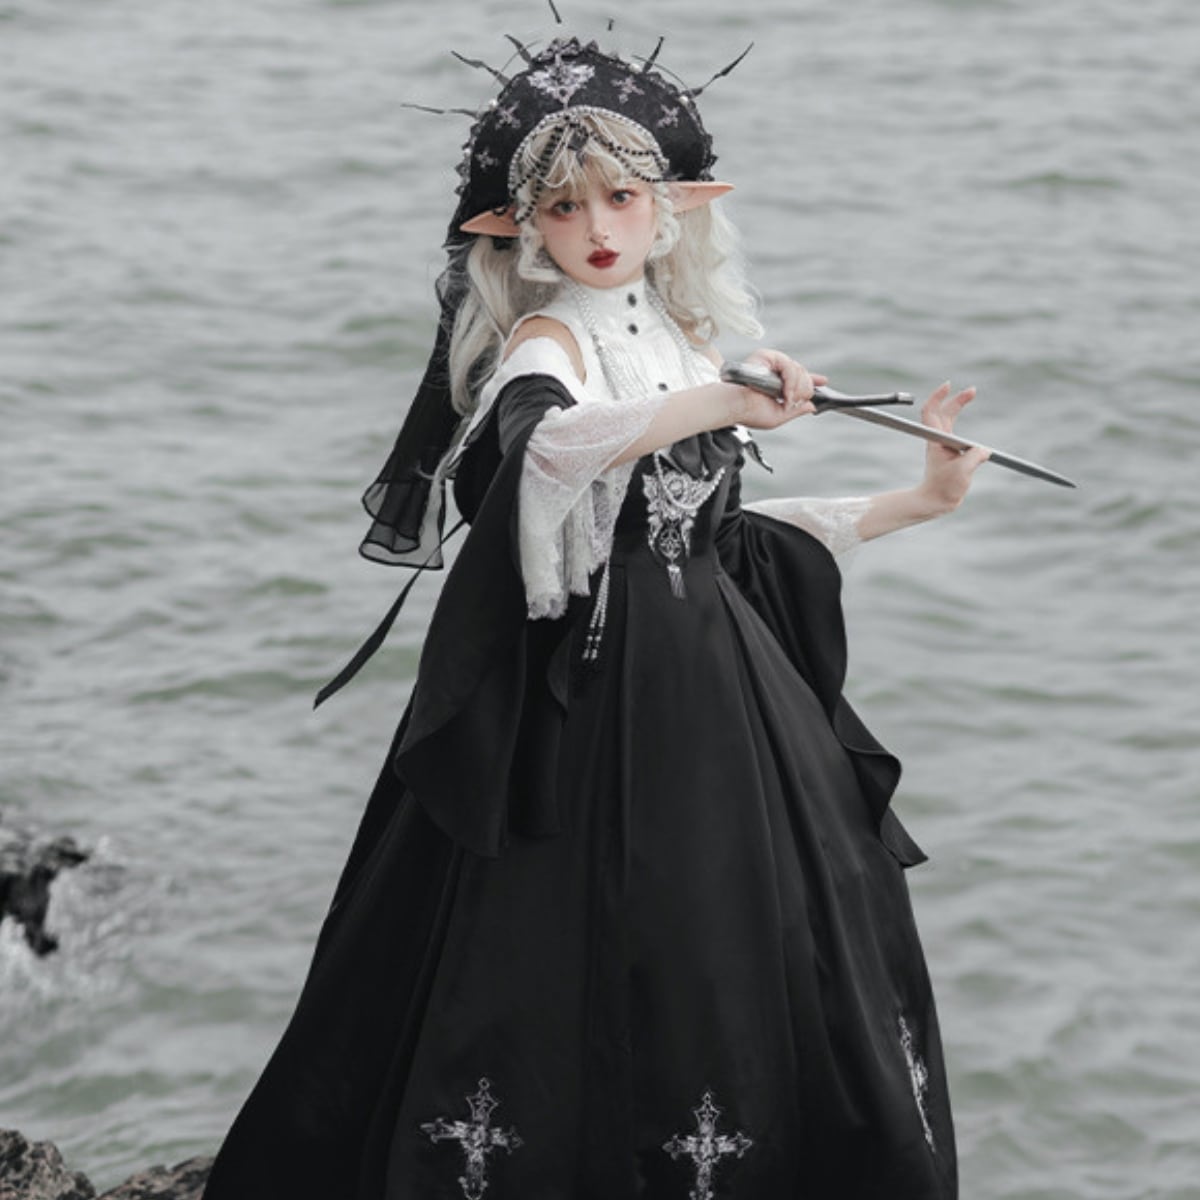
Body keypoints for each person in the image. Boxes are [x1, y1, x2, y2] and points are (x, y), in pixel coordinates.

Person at [204, 33, 988, 1200]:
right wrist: (716, 400)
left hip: (723, 696)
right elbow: (548, 449)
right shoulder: (547, 340)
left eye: (622, 196)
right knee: (579, 946)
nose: (599, 227)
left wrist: (917, 502)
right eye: (564, 206)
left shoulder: (678, 335)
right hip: (584, 702)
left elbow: (725, 540)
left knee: (751, 933)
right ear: (520, 228)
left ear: (672, 207)